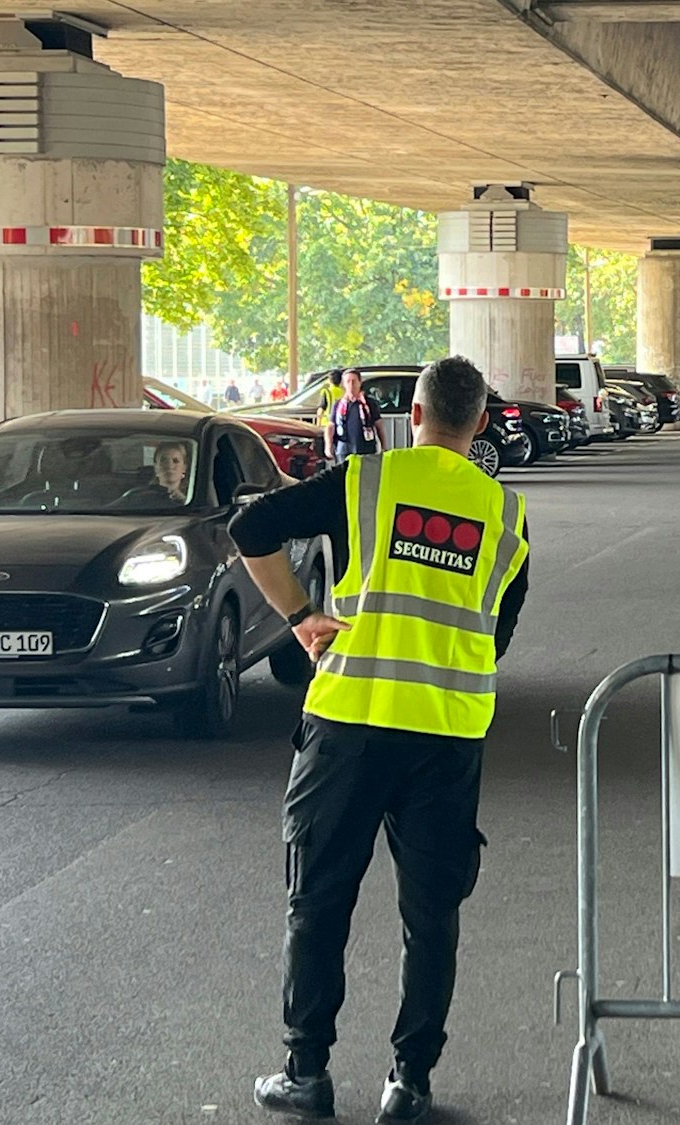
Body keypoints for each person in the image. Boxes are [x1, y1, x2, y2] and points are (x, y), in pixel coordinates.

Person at [233, 356, 530, 1125]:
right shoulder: (507, 514)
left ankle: (306, 1072)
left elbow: (251, 528)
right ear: (481, 422)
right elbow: (496, 635)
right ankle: (410, 1082)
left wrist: (301, 616)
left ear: (416, 414)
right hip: (446, 735)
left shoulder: (366, 480)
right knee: (431, 916)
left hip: (350, 724)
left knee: (318, 900)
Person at [113, 440, 193, 507]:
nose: (169, 465)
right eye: (163, 460)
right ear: (156, 467)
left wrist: (184, 501)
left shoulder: (193, 499)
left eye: (176, 461)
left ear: (184, 467)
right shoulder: (137, 496)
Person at [327, 369, 381, 463]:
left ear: (360, 383)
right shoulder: (338, 405)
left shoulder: (369, 403)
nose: (351, 384)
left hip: (366, 449)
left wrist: (383, 446)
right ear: (344, 384)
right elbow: (331, 426)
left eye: (354, 381)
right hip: (344, 450)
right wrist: (328, 446)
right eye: (348, 381)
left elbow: (379, 425)